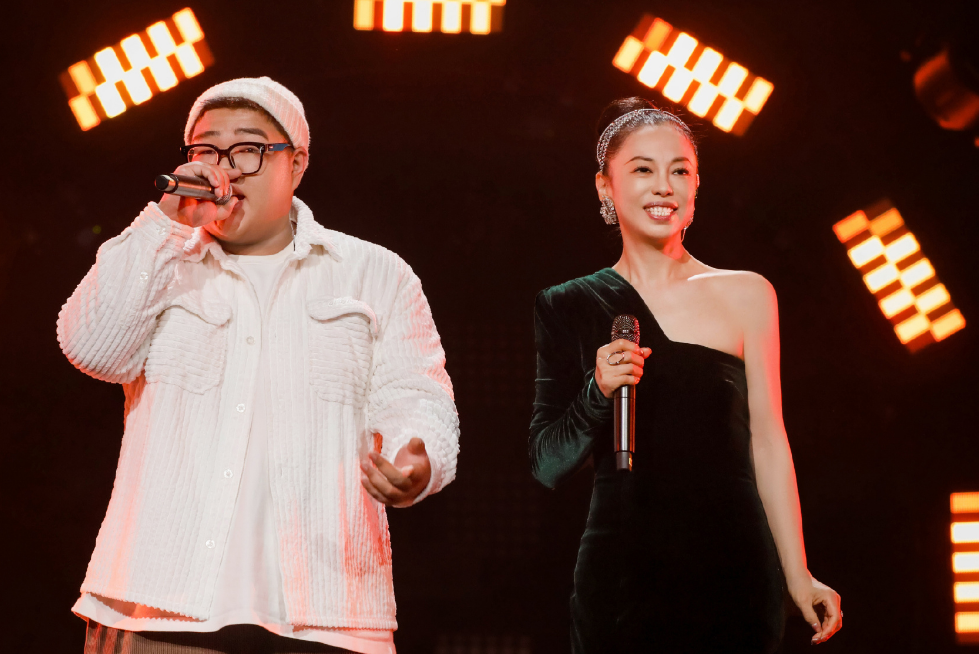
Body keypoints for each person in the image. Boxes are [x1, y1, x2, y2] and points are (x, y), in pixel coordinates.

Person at [57, 77, 459, 654]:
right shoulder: (163, 259)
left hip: (329, 615)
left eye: (247, 149)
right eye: (206, 150)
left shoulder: (374, 273)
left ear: (296, 163)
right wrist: (164, 225)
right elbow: (93, 350)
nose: (225, 169)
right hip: (157, 606)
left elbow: (416, 394)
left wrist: (417, 458)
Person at [529, 97, 842, 653]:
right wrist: (597, 391)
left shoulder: (748, 294)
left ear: (697, 185)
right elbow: (546, 462)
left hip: (732, 570)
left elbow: (769, 441)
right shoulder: (568, 304)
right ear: (605, 187)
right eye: (642, 170)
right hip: (621, 578)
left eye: (679, 171)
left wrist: (798, 574)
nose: (663, 187)